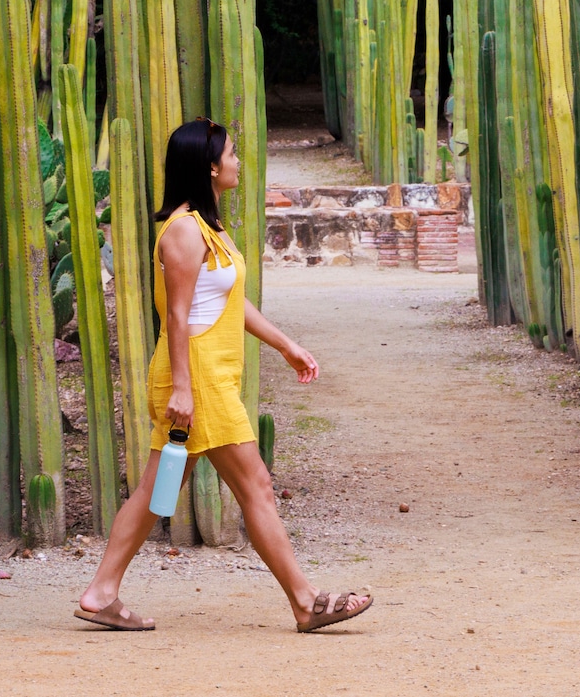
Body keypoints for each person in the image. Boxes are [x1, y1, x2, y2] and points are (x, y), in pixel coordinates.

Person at [75, 119, 371, 634]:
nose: (237, 161)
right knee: (255, 483)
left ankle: (101, 592)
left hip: (208, 376)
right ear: (210, 165)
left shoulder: (207, 227)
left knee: (156, 487)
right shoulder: (185, 232)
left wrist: (286, 345)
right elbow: (178, 316)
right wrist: (185, 390)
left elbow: (230, 303)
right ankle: (306, 602)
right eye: (231, 154)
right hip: (198, 379)